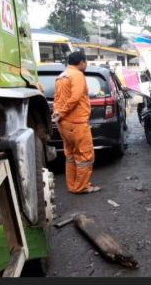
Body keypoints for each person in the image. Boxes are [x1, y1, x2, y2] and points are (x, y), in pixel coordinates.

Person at [52, 51, 101, 194]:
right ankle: (81, 187)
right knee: (85, 155)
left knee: (71, 155)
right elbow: (75, 98)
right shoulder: (78, 75)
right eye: (86, 62)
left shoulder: (61, 76)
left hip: (64, 123)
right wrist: (62, 112)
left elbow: (57, 99)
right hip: (76, 122)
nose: (86, 64)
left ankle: (73, 185)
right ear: (81, 62)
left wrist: (58, 114)